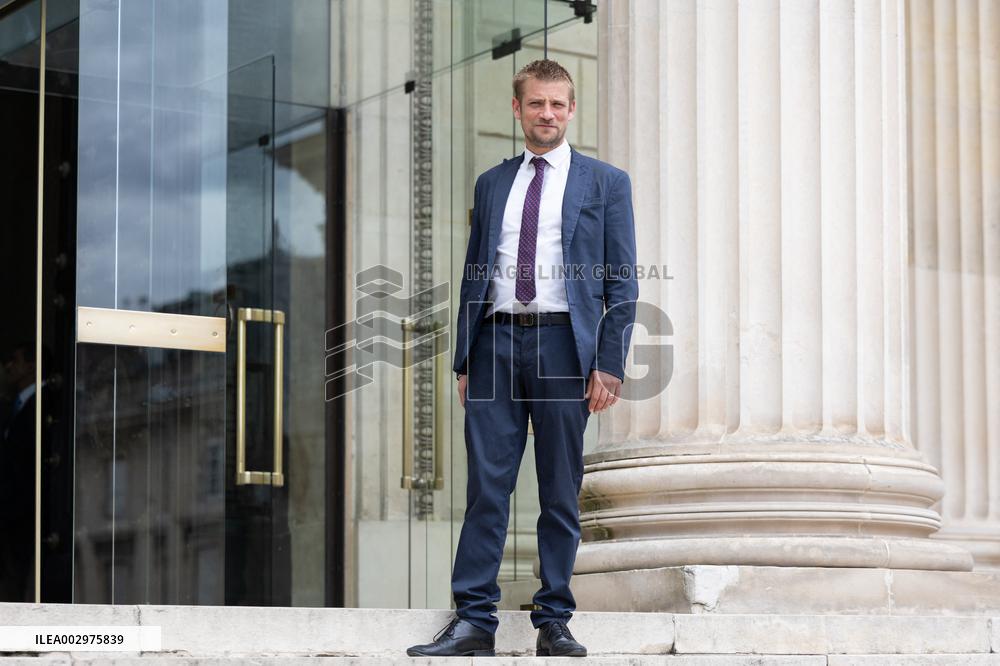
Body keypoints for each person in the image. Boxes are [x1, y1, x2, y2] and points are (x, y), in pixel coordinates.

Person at [407, 59, 637, 658]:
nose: (547, 115)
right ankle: (473, 620)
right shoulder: (492, 183)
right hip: (495, 346)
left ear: (572, 109)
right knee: (488, 487)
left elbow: (623, 283)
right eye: (537, 104)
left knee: (560, 488)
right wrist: (464, 357)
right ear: (518, 109)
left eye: (558, 104)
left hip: (565, 345)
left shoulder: (606, 183)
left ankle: (553, 619)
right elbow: (473, 275)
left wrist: (608, 363)